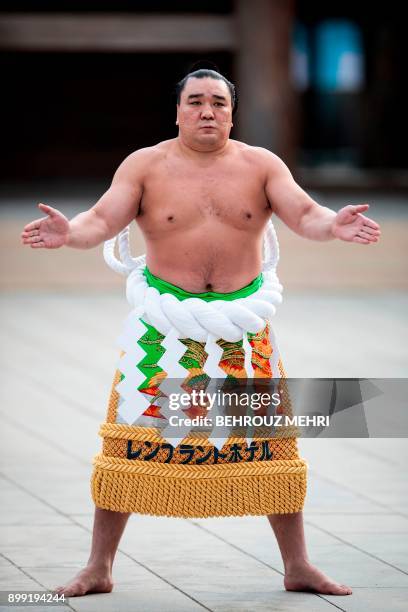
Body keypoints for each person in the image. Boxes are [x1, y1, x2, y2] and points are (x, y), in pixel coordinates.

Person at [21, 68, 381, 598]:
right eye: (195, 102)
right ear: (178, 111)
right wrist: (69, 233)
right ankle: (99, 565)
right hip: (161, 330)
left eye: (218, 102)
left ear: (233, 113)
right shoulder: (145, 164)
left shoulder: (262, 165)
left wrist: (333, 224)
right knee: (129, 442)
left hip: (243, 327)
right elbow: (101, 218)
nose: (207, 111)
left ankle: (297, 564)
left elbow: (305, 212)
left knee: (272, 444)